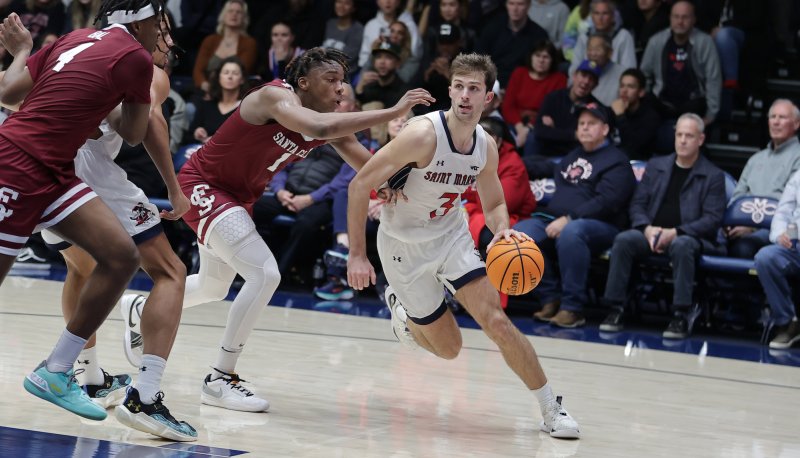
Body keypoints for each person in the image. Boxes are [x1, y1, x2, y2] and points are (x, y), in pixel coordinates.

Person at [124, 47, 434, 413]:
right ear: (303, 82)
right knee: (264, 273)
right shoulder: (273, 97)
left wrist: (395, 187)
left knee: (213, 286)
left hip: (238, 200)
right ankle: (220, 378)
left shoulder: (328, 120)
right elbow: (319, 128)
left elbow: (363, 164)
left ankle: (142, 309)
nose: (340, 89)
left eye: (343, 82)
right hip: (204, 186)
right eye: (330, 80)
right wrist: (396, 111)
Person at [346, 53, 580, 439]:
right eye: (458, 86)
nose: (465, 96)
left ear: (489, 97)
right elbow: (359, 185)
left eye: (474, 88)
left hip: (451, 236)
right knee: (450, 349)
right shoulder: (422, 135)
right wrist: (357, 254)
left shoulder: (485, 146)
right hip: (403, 248)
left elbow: (494, 204)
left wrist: (502, 230)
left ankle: (550, 407)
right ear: (450, 90)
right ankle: (401, 311)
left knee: (498, 323)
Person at [29, 12, 195, 441]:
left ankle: (85, 375)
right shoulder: (146, 66)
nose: (167, 40)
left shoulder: (76, 47)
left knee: (82, 269)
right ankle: (146, 394)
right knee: (170, 272)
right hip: (90, 168)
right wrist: (175, 190)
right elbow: (152, 123)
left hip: (45, 158)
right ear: (141, 29)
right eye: (162, 31)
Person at [0, 1, 159, 422]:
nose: (158, 32)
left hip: (56, 169)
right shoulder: (137, 58)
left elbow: (8, 93)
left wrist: (21, 52)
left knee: (120, 255)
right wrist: (117, 102)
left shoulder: (71, 38)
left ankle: (56, 370)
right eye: (156, 23)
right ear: (140, 22)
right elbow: (133, 133)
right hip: (18, 161)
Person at [599, 113, 727, 339]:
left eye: (689, 135)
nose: (683, 140)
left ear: (701, 139)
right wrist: (646, 228)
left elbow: (712, 219)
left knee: (682, 246)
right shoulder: (657, 165)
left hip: (689, 237)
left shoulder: (713, 175)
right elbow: (637, 204)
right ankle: (615, 309)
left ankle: (680, 315)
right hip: (652, 233)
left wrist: (675, 232)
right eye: (679, 134)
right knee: (624, 240)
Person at [514, 102, 634, 327]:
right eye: (581, 123)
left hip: (600, 225)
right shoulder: (573, 155)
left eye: (591, 123)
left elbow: (607, 202)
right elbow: (548, 166)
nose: (585, 128)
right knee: (519, 235)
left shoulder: (617, 160)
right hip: (556, 219)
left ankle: (573, 308)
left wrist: (570, 218)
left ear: (605, 129)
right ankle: (550, 298)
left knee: (572, 232)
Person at [727, 100, 800, 259]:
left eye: (782, 117)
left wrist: (752, 226)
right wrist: (733, 223)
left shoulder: (798, 157)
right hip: (742, 226)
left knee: (744, 247)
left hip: (779, 230)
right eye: (772, 116)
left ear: (796, 124)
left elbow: (792, 206)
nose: (775, 121)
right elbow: (737, 197)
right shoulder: (755, 159)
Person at [640, 0, 721, 127]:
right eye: (676, 17)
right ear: (670, 18)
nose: (680, 21)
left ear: (694, 19)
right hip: (662, 102)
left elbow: (713, 79)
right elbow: (644, 75)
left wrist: (711, 115)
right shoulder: (656, 41)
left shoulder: (705, 42)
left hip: (693, 103)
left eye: (685, 17)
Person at [522, 59, 602, 176]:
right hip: (545, 154)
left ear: (595, 85)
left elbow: (585, 140)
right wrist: (573, 135)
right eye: (583, 76)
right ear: (574, 76)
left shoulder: (595, 108)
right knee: (532, 138)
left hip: (573, 158)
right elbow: (540, 131)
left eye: (591, 79)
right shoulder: (553, 98)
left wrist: (555, 130)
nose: (586, 82)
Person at [754, 168, 800, 350]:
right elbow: (783, 211)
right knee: (766, 257)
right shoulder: (798, 175)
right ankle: (788, 322)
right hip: (796, 247)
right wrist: (781, 234)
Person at [501, 39, 566, 149]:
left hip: (540, 125)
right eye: (537, 55)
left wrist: (528, 129)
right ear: (531, 57)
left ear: (552, 60)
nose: (541, 60)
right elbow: (508, 105)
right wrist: (520, 128)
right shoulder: (519, 73)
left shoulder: (559, 79)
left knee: (532, 139)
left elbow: (552, 110)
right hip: (515, 122)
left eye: (546, 57)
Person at [475, 0, 548, 87]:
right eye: (511, 3)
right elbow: (479, 59)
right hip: (491, 82)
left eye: (520, 4)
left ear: (528, 6)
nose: (515, 9)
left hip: (523, 85)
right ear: (506, 5)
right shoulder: (492, 28)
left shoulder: (539, 34)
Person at [192, 0, 256, 95]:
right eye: (230, 11)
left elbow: (242, 70)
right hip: (206, 91)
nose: (234, 14)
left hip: (234, 93)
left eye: (238, 12)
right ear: (223, 15)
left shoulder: (249, 43)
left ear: (244, 18)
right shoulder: (210, 40)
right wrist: (206, 86)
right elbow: (198, 71)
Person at [185, 55, 245, 145]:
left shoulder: (245, 108)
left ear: (242, 79)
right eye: (226, 72)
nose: (230, 76)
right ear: (219, 77)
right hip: (203, 152)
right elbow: (186, 138)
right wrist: (197, 133)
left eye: (235, 73)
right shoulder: (206, 105)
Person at [567, 0, 636, 76]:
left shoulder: (623, 36)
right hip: (586, 84)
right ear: (592, 16)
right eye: (596, 13)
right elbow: (574, 69)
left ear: (612, 16)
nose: (600, 18)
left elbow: (629, 70)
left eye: (605, 13)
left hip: (616, 84)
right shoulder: (584, 37)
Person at [611, 67, 660, 160]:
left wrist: (620, 117)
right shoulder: (613, 110)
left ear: (641, 92)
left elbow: (634, 147)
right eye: (622, 86)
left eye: (630, 87)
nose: (624, 91)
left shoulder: (650, 117)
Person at [322, 0, 364, 80]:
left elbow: (347, 59)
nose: (342, 6)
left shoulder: (358, 29)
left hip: (344, 77)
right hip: (323, 71)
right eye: (339, 2)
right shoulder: (329, 24)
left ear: (353, 8)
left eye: (347, 3)